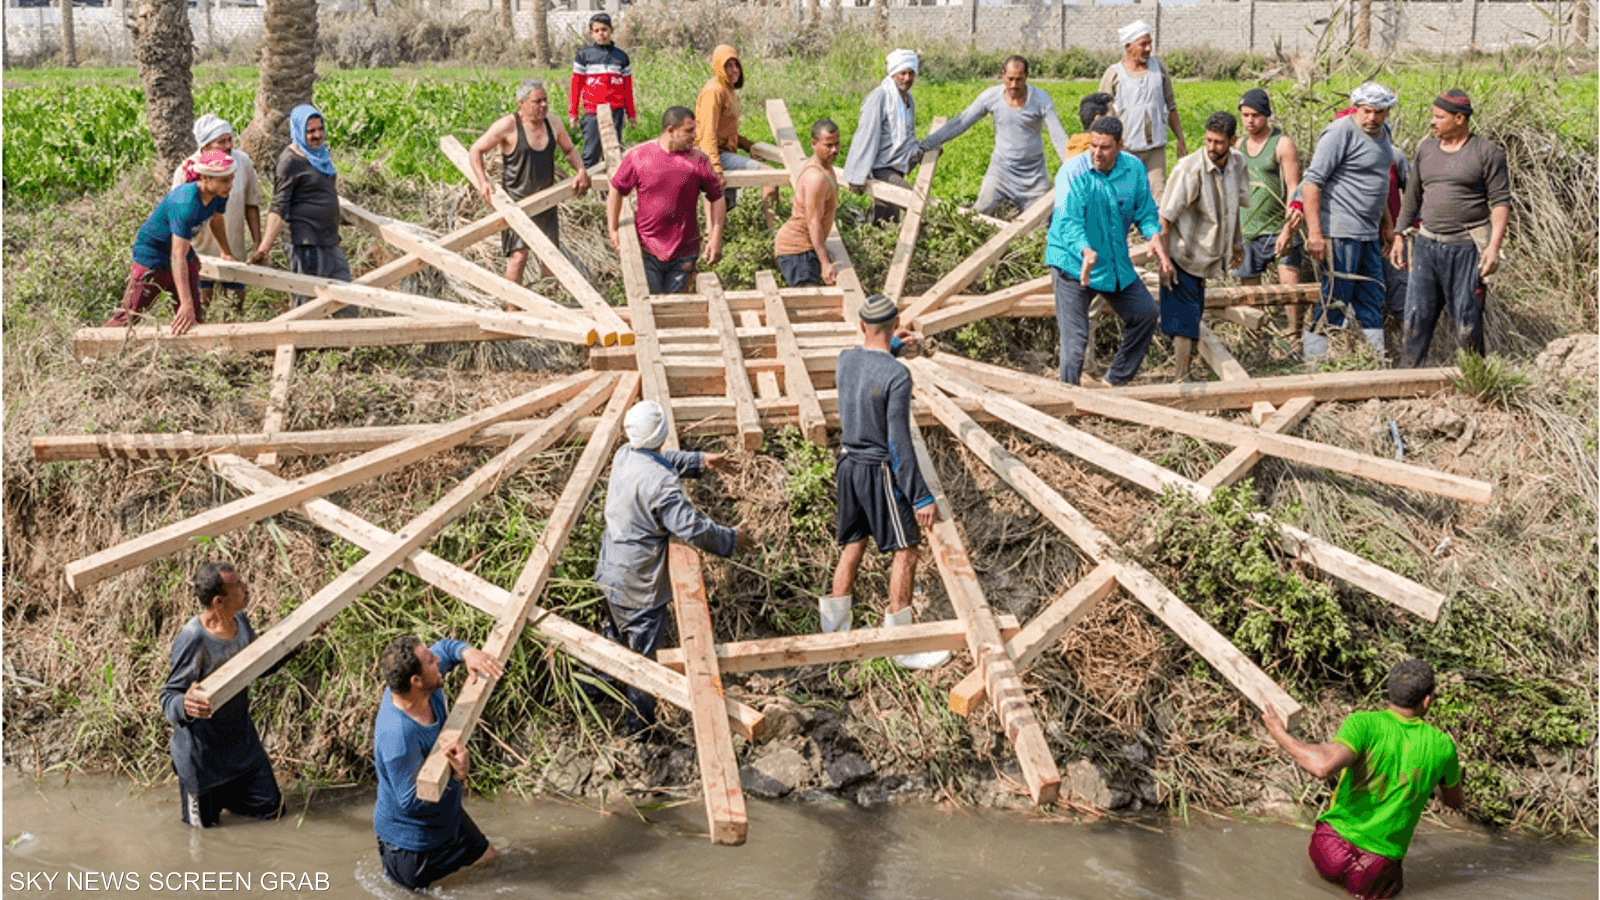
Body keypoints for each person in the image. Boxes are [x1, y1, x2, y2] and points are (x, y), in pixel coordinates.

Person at [593, 400, 748, 735]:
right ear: (661, 434)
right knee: (643, 659)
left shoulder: (624, 456)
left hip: (611, 571)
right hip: (640, 584)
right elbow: (694, 528)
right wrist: (732, 540)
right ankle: (639, 729)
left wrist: (700, 461)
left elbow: (659, 460)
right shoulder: (662, 485)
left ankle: (595, 696)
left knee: (613, 639)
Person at [819, 294, 950, 670]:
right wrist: (920, 496)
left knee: (853, 543)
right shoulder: (897, 375)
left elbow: (869, 362)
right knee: (906, 549)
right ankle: (902, 645)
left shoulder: (845, 361)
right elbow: (898, 442)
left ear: (862, 326)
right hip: (878, 471)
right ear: (893, 325)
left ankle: (834, 631)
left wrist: (891, 345)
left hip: (847, 465)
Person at [1263, 658, 1464, 899]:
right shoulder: (1442, 747)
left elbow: (1322, 765)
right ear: (1427, 700)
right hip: (1375, 866)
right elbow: (1454, 802)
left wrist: (1279, 733)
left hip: (1328, 847)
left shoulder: (1364, 723)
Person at [1045, 116, 1172, 387]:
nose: (1097, 153)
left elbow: (1145, 210)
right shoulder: (1073, 172)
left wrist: (1154, 236)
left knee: (1145, 314)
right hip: (1072, 262)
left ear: (1119, 146)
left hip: (1112, 260)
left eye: (1104, 147)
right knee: (1076, 341)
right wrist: (1085, 250)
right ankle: (1069, 397)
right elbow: (1068, 221)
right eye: (1093, 146)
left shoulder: (1134, 169)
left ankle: (1114, 382)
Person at [1389, 89, 1510, 368]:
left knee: (1467, 320)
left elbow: (1501, 203)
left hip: (1467, 248)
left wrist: (1493, 247)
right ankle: (1407, 379)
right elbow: (1412, 197)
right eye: (1433, 116)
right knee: (1416, 318)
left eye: (1439, 117)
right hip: (1427, 247)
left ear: (1459, 118)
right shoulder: (1426, 150)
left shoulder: (1486, 152)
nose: (1432, 122)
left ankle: (1473, 377)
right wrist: (1399, 235)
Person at [373, 634, 504, 891]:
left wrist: (467, 653)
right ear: (416, 681)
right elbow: (410, 802)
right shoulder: (397, 735)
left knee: (492, 862)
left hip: (447, 819)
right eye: (431, 661)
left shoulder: (420, 685)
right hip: (412, 845)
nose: (438, 659)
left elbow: (445, 648)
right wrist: (457, 776)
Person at [159, 562, 285, 828]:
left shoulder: (240, 621)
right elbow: (168, 697)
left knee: (273, 811)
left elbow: (257, 666)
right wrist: (185, 704)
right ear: (218, 602)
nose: (245, 588)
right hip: (203, 762)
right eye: (237, 587)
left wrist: (297, 642)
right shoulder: (194, 638)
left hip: (242, 748)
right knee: (203, 836)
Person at [1298, 82, 1399, 361]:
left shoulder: (1384, 134)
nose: (1372, 119)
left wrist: (1387, 225)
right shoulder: (1339, 133)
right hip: (1340, 231)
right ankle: (1313, 363)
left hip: (1369, 233)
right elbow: (1311, 183)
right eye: (1367, 111)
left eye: (1379, 112)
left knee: (1372, 297)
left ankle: (1375, 362)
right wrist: (1315, 234)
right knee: (1335, 300)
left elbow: (1379, 183)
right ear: (1357, 107)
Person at [468, 78, 592, 287]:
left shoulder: (553, 123)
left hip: (546, 201)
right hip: (517, 204)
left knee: (550, 257)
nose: (543, 105)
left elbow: (569, 150)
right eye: (537, 102)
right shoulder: (508, 125)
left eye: (545, 101)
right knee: (519, 257)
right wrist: (483, 181)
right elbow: (476, 150)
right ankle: (512, 308)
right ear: (522, 103)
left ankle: (549, 301)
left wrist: (580, 170)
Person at [916, 55, 1070, 215]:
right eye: (1010, 79)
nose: (1014, 85)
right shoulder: (991, 97)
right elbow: (961, 122)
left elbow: (1058, 136)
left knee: (1040, 225)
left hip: (1034, 178)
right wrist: (926, 144)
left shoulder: (1040, 99)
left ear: (1027, 77)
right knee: (978, 214)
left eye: (1019, 80)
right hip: (1001, 174)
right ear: (1003, 74)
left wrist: (1072, 165)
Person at [1157, 111, 1248, 381]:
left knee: (1193, 315)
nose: (1212, 148)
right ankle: (1181, 377)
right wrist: (1164, 261)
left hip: (1208, 257)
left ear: (1232, 141)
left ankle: (1185, 371)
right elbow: (1164, 218)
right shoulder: (1189, 169)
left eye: (1219, 142)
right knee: (1185, 321)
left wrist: (1237, 244)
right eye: (1208, 141)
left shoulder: (1237, 164)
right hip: (1183, 255)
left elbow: (1234, 209)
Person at [105, 150, 236, 335]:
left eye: (232, 178)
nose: (230, 185)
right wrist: (185, 303)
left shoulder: (220, 194)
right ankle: (95, 343)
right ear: (206, 178)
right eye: (225, 180)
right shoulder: (185, 202)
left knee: (194, 315)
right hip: (153, 255)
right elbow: (177, 255)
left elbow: (216, 220)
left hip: (183, 253)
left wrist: (226, 252)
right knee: (130, 315)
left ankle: (191, 353)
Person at [606, 106, 726, 295]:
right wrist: (613, 229)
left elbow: (717, 198)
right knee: (649, 304)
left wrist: (716, 237)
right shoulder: (639, 156)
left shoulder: (699, 161)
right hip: (647, 248)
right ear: (670, 130)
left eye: (694, 129)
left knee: (677, 308)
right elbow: (617, 189)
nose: (694, 135)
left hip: (685, 251)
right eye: (688, 131)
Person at [249, 104, 353, 316]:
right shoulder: (289, 162)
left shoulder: (320, 155)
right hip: (306, 245)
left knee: (347, 298)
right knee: (308, 304)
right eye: (310, 131)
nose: (317, 135)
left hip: (329, 239)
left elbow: (320, 192)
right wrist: (264, 247)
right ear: (298, 131)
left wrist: (338, 214)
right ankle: (306, 346)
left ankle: (343, 345)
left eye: (320, 129)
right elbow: (278, 206)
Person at [170, 114, 261, 315]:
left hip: (234, 252)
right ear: (205, 147)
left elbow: (251, 205)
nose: (228, 145)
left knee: (234, 307)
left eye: (230, 139)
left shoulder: (242, 162)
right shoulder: (188, 171)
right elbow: (177, 217)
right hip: (199, 253)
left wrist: (257, 244)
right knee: (201, 305)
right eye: (221, 142)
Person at [1232, 89, 1304, 332]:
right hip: (1248, 230)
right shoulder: (1238, 146)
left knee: (1290, 288)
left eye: (1255, 115)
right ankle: (1256, 340)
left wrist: (1289, 228)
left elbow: (1294, 187)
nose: (1250, 121)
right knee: (1250, 294)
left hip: (1278, 228)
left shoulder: (1281, 144)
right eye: (1245, 115)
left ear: (1266, 115)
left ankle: (1294, 335)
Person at [1099, 20, 1186, 201]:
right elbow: (1103, 116)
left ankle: (1155, 229)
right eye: (1143, 44)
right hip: (1126, 150)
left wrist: (1180, 139)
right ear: (1129, 47)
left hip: (1155, 149)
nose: (1148, 48)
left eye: (1150, 43)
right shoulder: (1114, 74)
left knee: (1159, 198)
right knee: (1124, 198)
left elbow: (1171, 106)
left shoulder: (1159, 68)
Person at [695, 44, 779, 224]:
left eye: (736, 65)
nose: (734, 70)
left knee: (724, 204)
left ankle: (714, 239)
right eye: (728, 66)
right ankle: (775, 232)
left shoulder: (728, 90)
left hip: (725, 152)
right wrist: (715, 169)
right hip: (715, 155)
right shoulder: (714, 92)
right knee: (770, 175)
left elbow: (725, 131)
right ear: (718, 67)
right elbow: (707, 134)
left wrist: (748, 145)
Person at [842, 49, 923, 223]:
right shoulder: (880, 97)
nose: (907, 78)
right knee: (914, 203)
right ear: (894, 72)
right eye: (903, 73)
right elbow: (866, 135)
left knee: (887, 215)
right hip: (882, 167)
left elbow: (907, 135)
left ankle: (879, 235)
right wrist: (857, 176)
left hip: (897, 165)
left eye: (911, 73)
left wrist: (918, 151)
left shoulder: (907, 99)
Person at [773, 118, 841, 287]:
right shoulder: (815, 178)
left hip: (806, 248)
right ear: (813, 143)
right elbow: (813, 222)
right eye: (828, 145)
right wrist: (824, 262)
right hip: (797, 251)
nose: (834, 150)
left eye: (837, 144)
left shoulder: (826, 167)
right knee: (809, 303)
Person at [569, 13, 635, 171]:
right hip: (593, 113)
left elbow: (627, 89)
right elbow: (576, 86)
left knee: (612, 152)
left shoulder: (621, 57)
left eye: (604, 29)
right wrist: (573, 113)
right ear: (591, 33)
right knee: (591, 152)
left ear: (611, 30)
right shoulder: (584, 56)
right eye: (597, 30)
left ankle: (610, 192)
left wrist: (631, 114)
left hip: (615, 112)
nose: (601, 34)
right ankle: (589, 189)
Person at [1066, 92, 1115, 159]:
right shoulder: (1100, 153)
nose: (1116, 120)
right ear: (1097, 118)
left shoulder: (1075, 145)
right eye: (1112, 116)